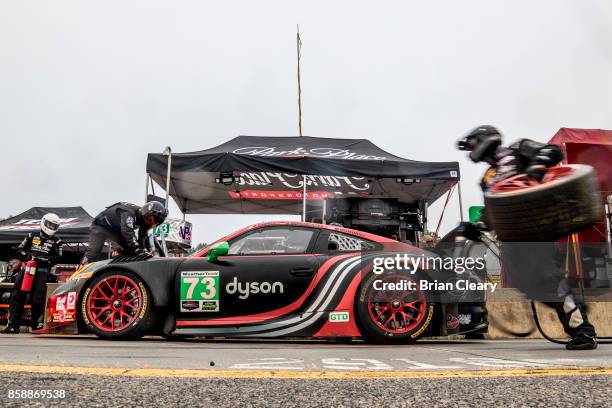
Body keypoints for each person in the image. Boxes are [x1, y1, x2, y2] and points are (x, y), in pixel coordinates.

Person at [457, 125, 597, 350]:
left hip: (536, 230)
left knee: (550, 279)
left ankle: (583, 331)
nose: (472, 148)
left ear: (485, 138)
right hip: (513, 238)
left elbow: (552, 151)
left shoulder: (518, 148)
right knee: (530, 286)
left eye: (474, 142)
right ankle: (575, 310)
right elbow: (492, 212)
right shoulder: (488, 178)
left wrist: (537, 166)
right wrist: (476, 228)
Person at [2, 213, 63, 333]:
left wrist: (43, 260)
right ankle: (13, 326)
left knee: (38, 300)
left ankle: (36, 326)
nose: (51, 227)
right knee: (17, 297)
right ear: (44, 222)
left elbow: (58, 258)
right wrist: (29, 257)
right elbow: (19, 250)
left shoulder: (57, 241)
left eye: (53, 225)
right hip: (26, 270)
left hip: (42, 272)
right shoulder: (31, 235)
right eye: (49, 224)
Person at [81, 201, 168, 264]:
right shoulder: (129, 212)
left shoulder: (144, 222)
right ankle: (84, 262)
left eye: (153, 223)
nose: (150, 222)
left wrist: (144, 252)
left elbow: (142, 238)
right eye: (150, 219)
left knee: (131, 251)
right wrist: (139, 249)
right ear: (145, 212)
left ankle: (119, 265)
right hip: (100, 226)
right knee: (94, 253)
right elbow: (127, 231)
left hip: (115, 231)